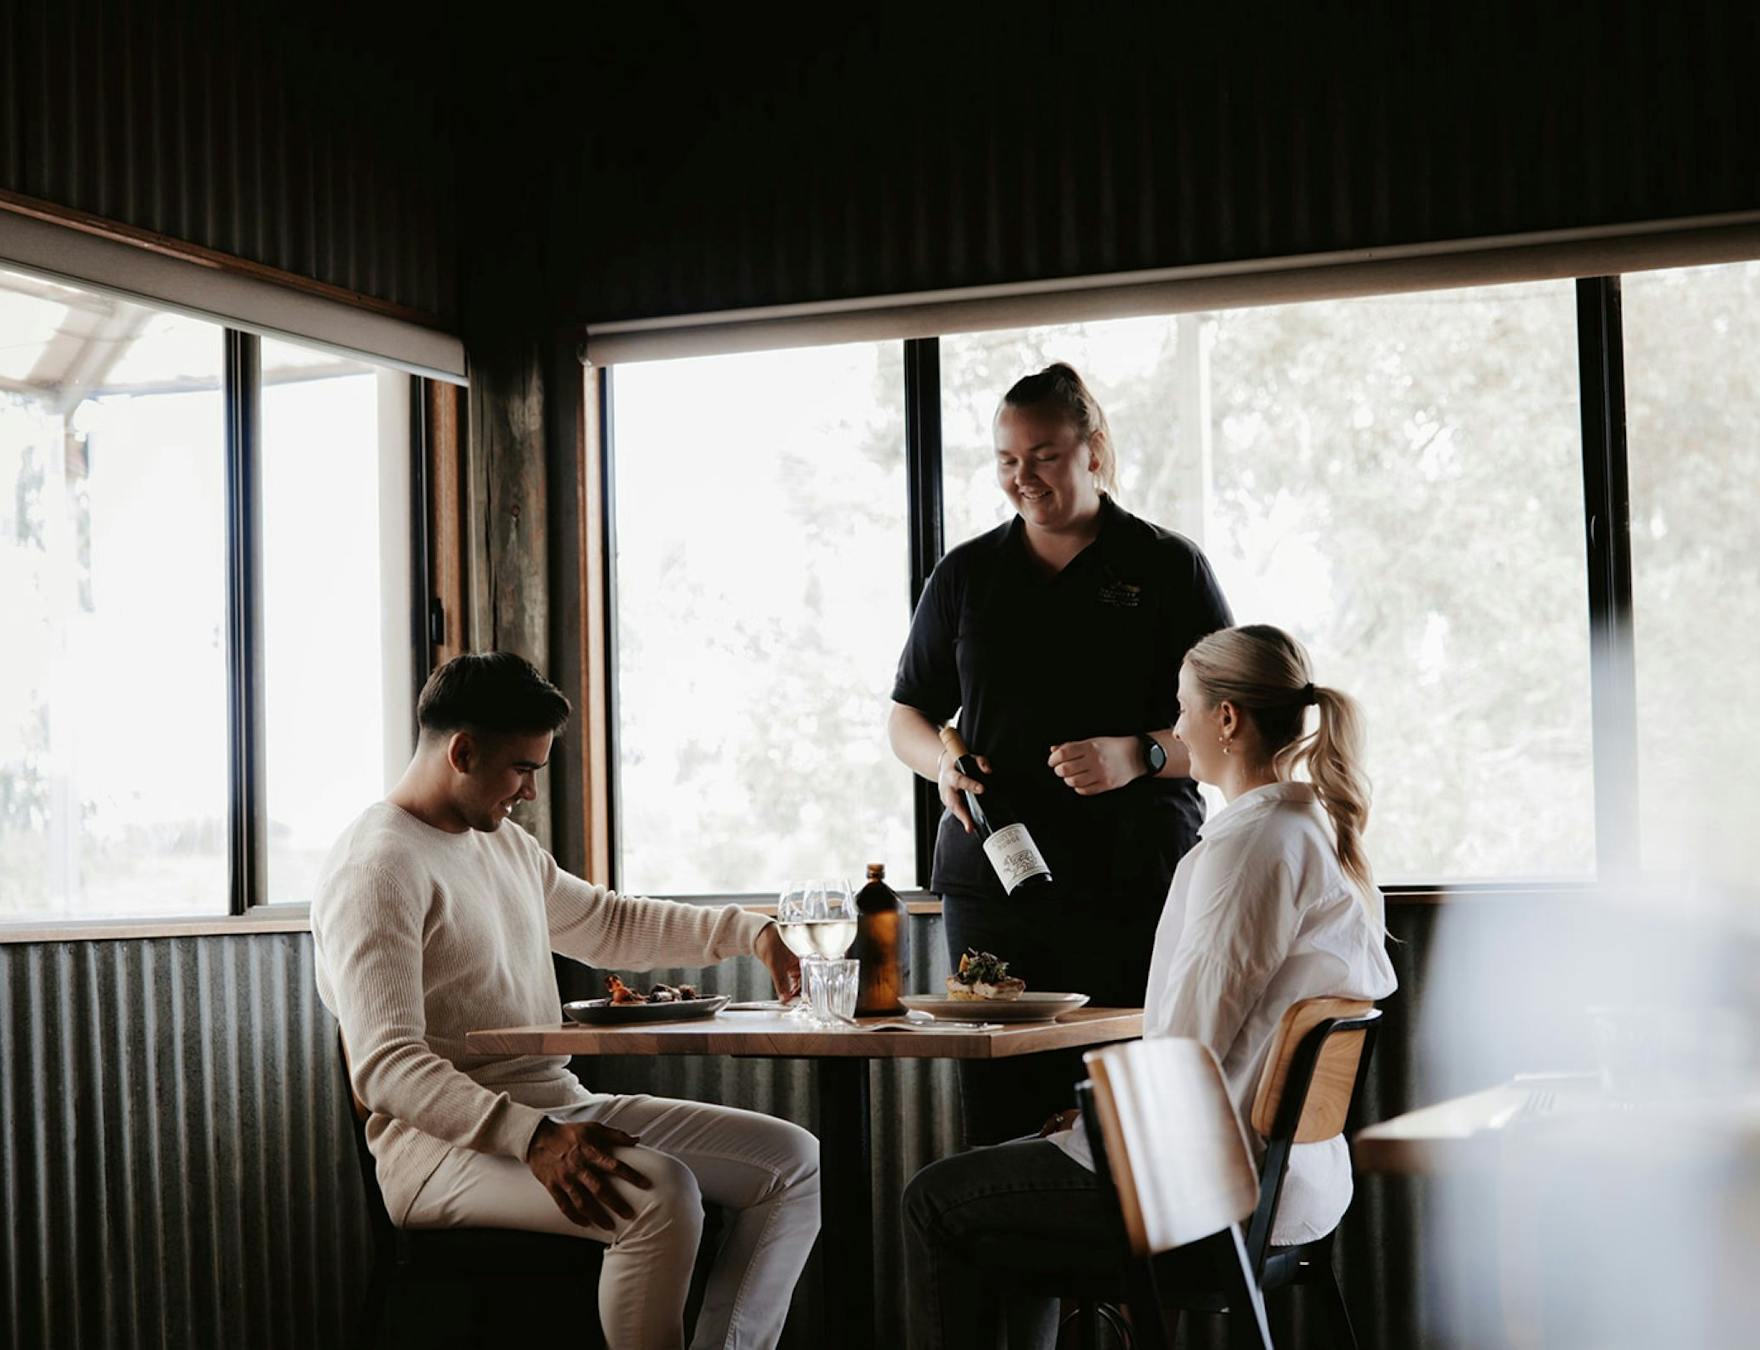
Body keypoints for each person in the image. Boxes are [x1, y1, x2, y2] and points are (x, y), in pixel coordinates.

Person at [901, 624, 1398, 1350]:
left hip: (1214, 1186)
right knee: (1002, 1194)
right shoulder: (1311, 831)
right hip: (1297, 1184)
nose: (1177, 729)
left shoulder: (1251, 849)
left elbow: (1189, 1046)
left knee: (935, 1199)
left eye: (1183, 708)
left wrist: (1093, 1126)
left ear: (1226, 719)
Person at [313, 652, 820, 1350]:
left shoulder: (504, 847)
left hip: (555, 1108)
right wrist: (535, 1138)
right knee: (658, 1194)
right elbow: (386, 1065)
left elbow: (609, 923)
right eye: (522, 769)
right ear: (462, 751)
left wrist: (748, 931)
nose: (527, 792)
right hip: (439, 1151)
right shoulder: (378, 866)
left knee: (790, 1160)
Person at [888, 362, 1234, 1144]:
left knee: (1129, 1116)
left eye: (1043, 455)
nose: (1023, 477)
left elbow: (1230, 726)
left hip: (1132, 881)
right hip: (993, 885)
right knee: (1003, 1118)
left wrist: (1138, 754)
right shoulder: (967, 573)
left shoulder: (1165, 566)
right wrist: (939, 764)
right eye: (1007, 460)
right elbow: (908, 714)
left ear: (1094, 451)